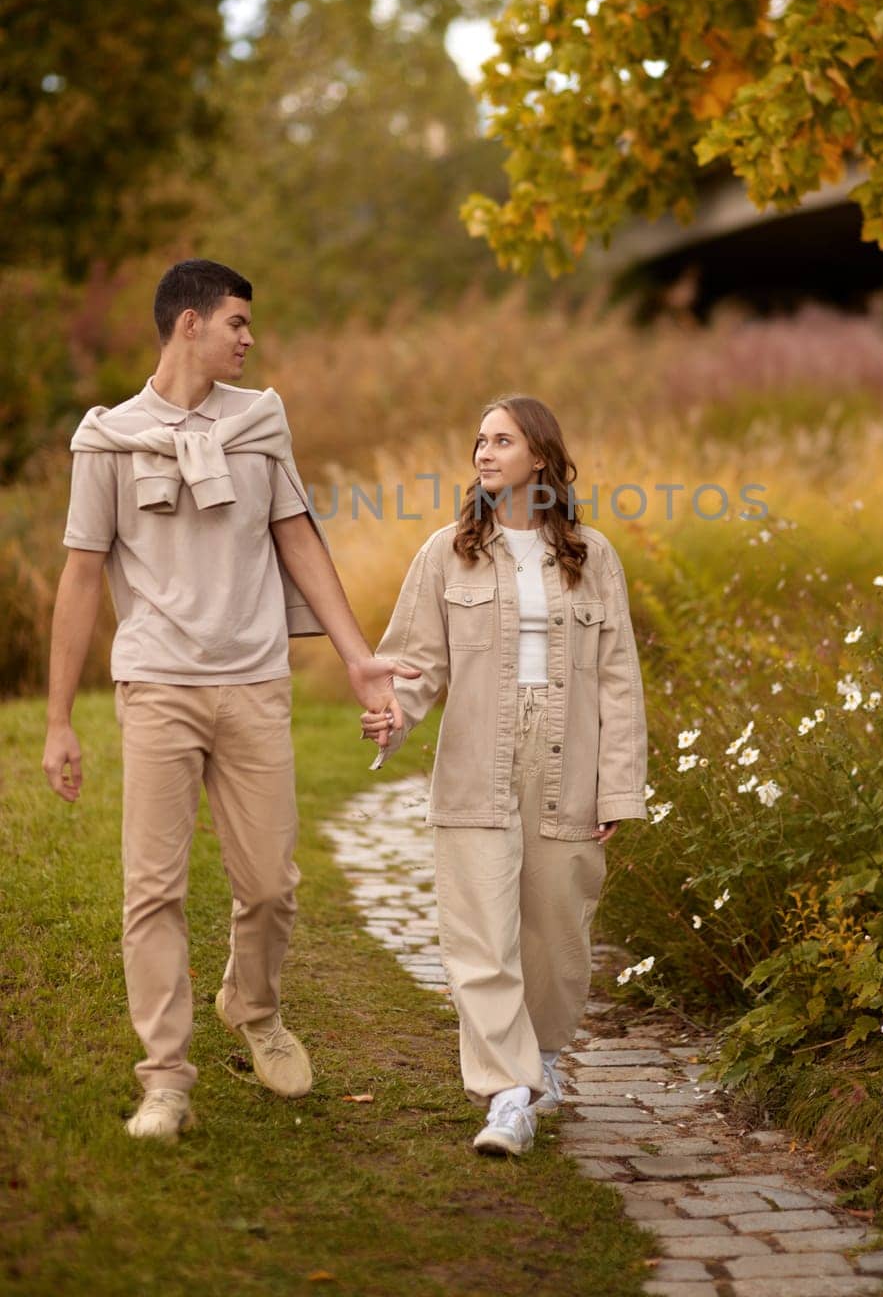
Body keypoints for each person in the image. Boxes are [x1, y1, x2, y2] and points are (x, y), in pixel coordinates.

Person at [41, 259, 417, 1140]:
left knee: (271, 884)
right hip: (158, 686)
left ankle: (252, 1009)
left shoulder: (259, 425)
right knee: (153, 890)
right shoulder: (108, 440)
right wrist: (58, 719)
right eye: (238, 323)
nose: (249, 340)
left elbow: (299, 539)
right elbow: (81, 575)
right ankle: (165, 1079)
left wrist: (359, 659)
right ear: (189, 326)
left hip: (253, 682)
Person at [362, 395, 647, 1156]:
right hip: (476, 761)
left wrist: (619, 786)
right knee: (479, 936)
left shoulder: (593, 556)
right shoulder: (445, 552)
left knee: (558, 938)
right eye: (479, 441)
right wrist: (395, 712)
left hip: (570, 766)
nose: (484, 453)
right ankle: (509, 1093)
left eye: (502, 440)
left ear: (541, 458)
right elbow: (417, 662)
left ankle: (544, 1058)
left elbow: (619, 680)